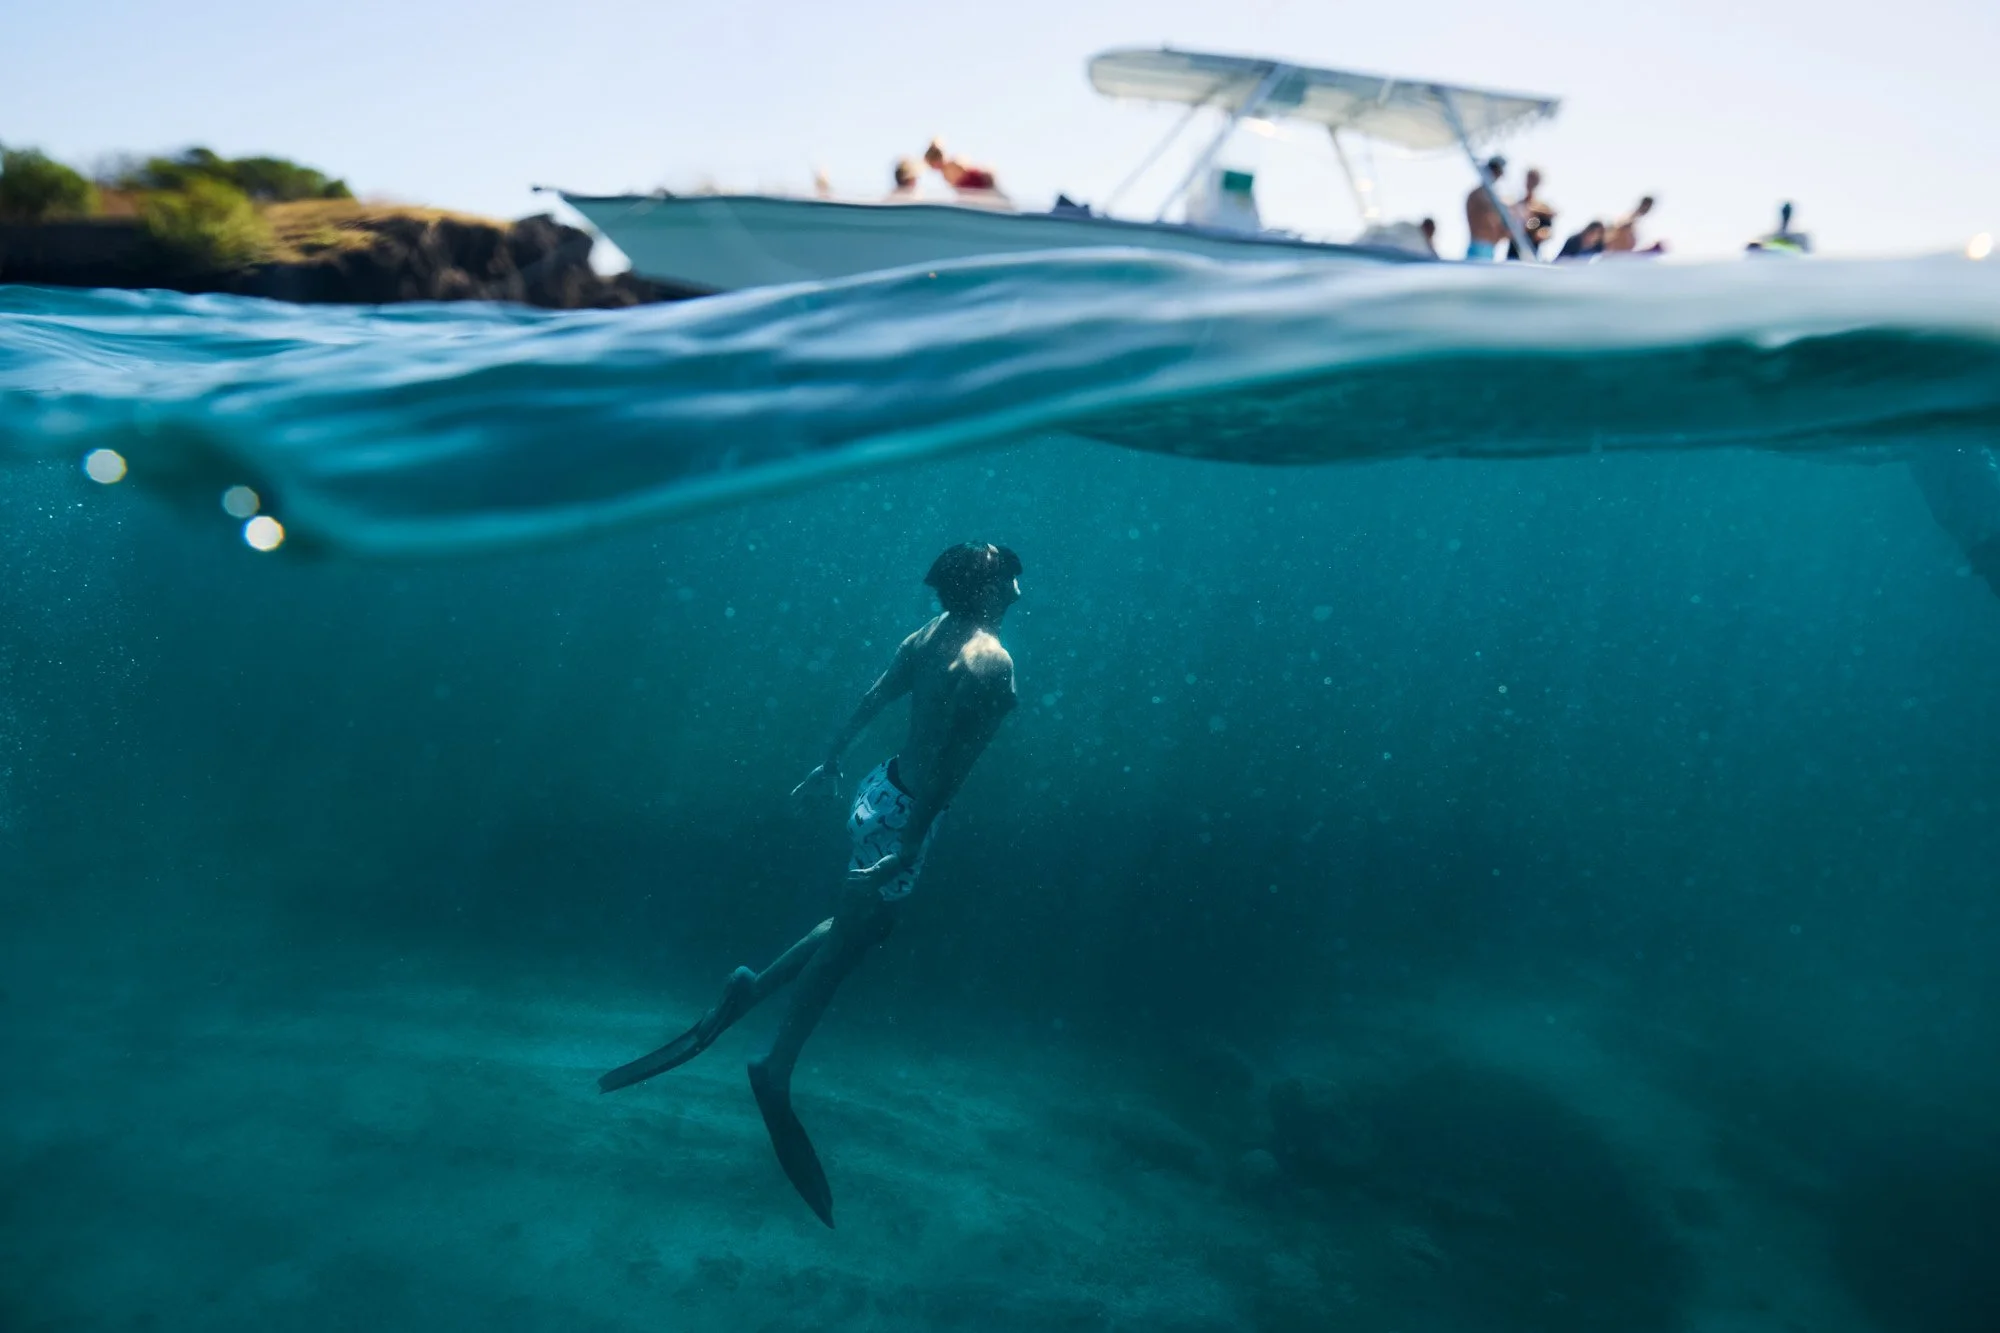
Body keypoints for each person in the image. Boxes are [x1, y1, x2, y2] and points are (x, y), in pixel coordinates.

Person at [598, 542, 1023, 1227]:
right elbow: (955, 768)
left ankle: (749, 990)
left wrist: (829, 760)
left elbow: (874, 696)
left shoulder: (928, 634)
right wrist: (909, 844)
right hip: (908, 814)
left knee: (860, 922)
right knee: (852, 942)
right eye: (1010, 578)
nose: (1019, 593)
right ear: (985, 585)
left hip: (879, 791)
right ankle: (775, 1065)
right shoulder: (991, 661)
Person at [1463, 156, 1509, 260]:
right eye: (1495, 169)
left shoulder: (1492, 196)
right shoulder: (1479, 194)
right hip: (1479, 247)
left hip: (1489, 249)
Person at [1506, 168, 1556, 260]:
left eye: (1533, 180)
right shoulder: (1516, 205)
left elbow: (1548, 232)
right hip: (1512, 254)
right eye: (1529, 179)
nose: (1530, 183)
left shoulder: (1544, 209)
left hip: (1531, 255)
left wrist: (1540, 234)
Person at [924, 138, 1001, 196]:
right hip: (971, 193)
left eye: (931, 164)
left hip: (981, 187)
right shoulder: (945, 175)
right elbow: (958, 189)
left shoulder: (954, 162)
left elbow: (970, 170)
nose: (932, 168)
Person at [1747, 201, 1812, 255]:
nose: (1786, 216)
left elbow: (1806, 252)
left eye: (1787, 213)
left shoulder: (1800, 237)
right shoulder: (1767, 236)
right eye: (1785, 212)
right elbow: (1753, 247)